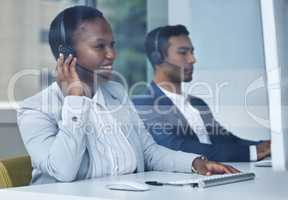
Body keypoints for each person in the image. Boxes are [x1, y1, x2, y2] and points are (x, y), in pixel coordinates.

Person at [17, 6, 239, 185]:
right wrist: (75, 100)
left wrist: (196, 163)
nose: (112, 54)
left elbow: (149, 152)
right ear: (67, 54)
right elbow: (64, 171)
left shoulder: (116, 93)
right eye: (99, 46)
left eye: (112, 45)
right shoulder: (35, 109)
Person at [133, 25, 271, 162]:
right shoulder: (145, 104)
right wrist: (251, 153)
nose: (192, 59)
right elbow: (176, 147)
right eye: (183, 52)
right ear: (158, 58)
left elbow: (227, 139)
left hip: (221, 175)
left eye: (192, 52)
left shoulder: (197, 103)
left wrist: (267, 145)